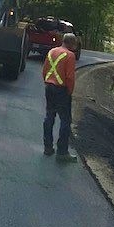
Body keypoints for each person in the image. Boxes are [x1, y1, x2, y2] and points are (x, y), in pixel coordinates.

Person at [42, 33, 78, 162]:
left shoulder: (52, 51)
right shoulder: (70, 55)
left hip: (49, 87)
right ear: (72, 43)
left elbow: (44, 70)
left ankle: (48, 147)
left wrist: (47, 83)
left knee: (49, 116)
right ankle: (62, 152)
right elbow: (70, 77)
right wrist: (69, 92)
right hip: (61, 90)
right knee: (65, 120)